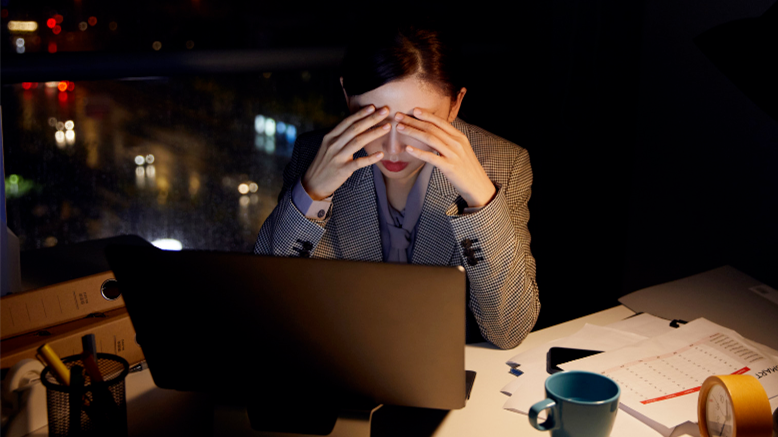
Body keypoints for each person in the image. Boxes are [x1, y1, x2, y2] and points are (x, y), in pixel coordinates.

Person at [254, 23, 539, 350]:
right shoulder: (313, 155)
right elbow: (266, 304)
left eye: (415, 123)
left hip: (436, 365)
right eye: (372, 118)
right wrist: (312, 192)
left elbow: (510, 330)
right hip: (341, 360)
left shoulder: (503, 163)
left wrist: (482, 201)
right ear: (347, 96)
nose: (391, 147)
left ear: (455, 104)